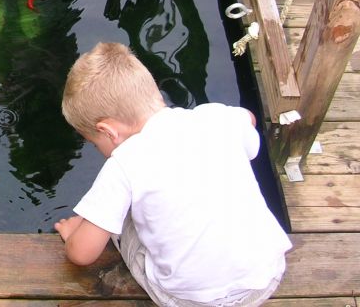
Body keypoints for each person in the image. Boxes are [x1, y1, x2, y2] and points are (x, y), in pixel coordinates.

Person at [54, 42, 292, 306]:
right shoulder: (214, 120)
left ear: (109, 131)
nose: (100, 150)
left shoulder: (124, 163)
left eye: (95, 143)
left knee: (121, 222)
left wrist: (73, 235)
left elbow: (82, 255)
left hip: (192, 300)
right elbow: (249, 119)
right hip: (265, 276)